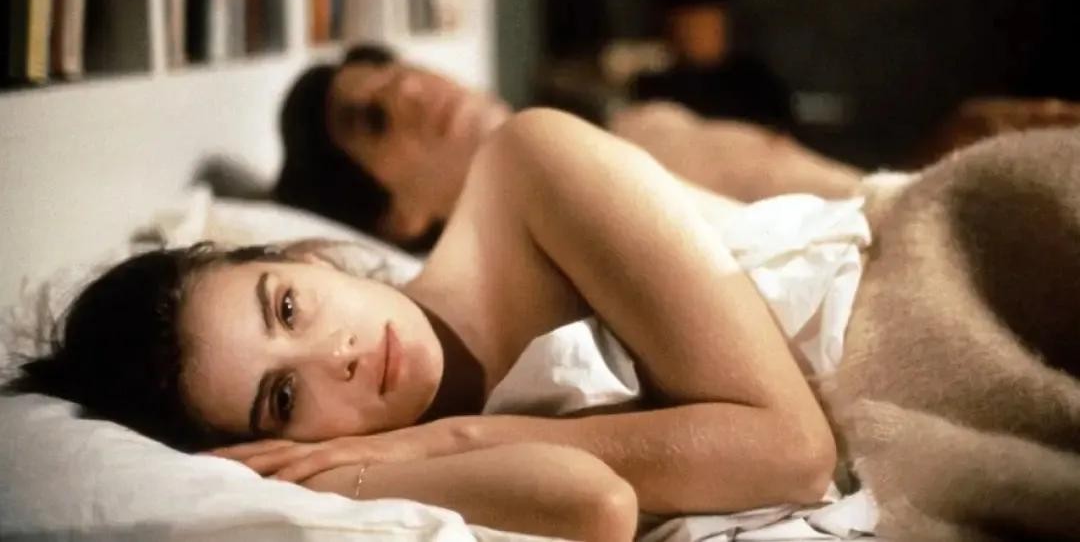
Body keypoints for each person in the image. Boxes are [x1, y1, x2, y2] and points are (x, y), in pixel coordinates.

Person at [10, 109, 842, 542]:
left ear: (308, 256)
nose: (335, 355)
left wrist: (445, 440)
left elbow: (794, 453)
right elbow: (596, 505)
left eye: (287, 305)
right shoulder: (379, 469)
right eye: (283, 397)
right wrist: (362, 472)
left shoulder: (529, 164)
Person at [275, 44, 864, 249]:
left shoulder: (643, 123)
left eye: (392, 68)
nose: (409, 88)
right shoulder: (555, 266)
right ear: (398, 216)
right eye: (374, 120)